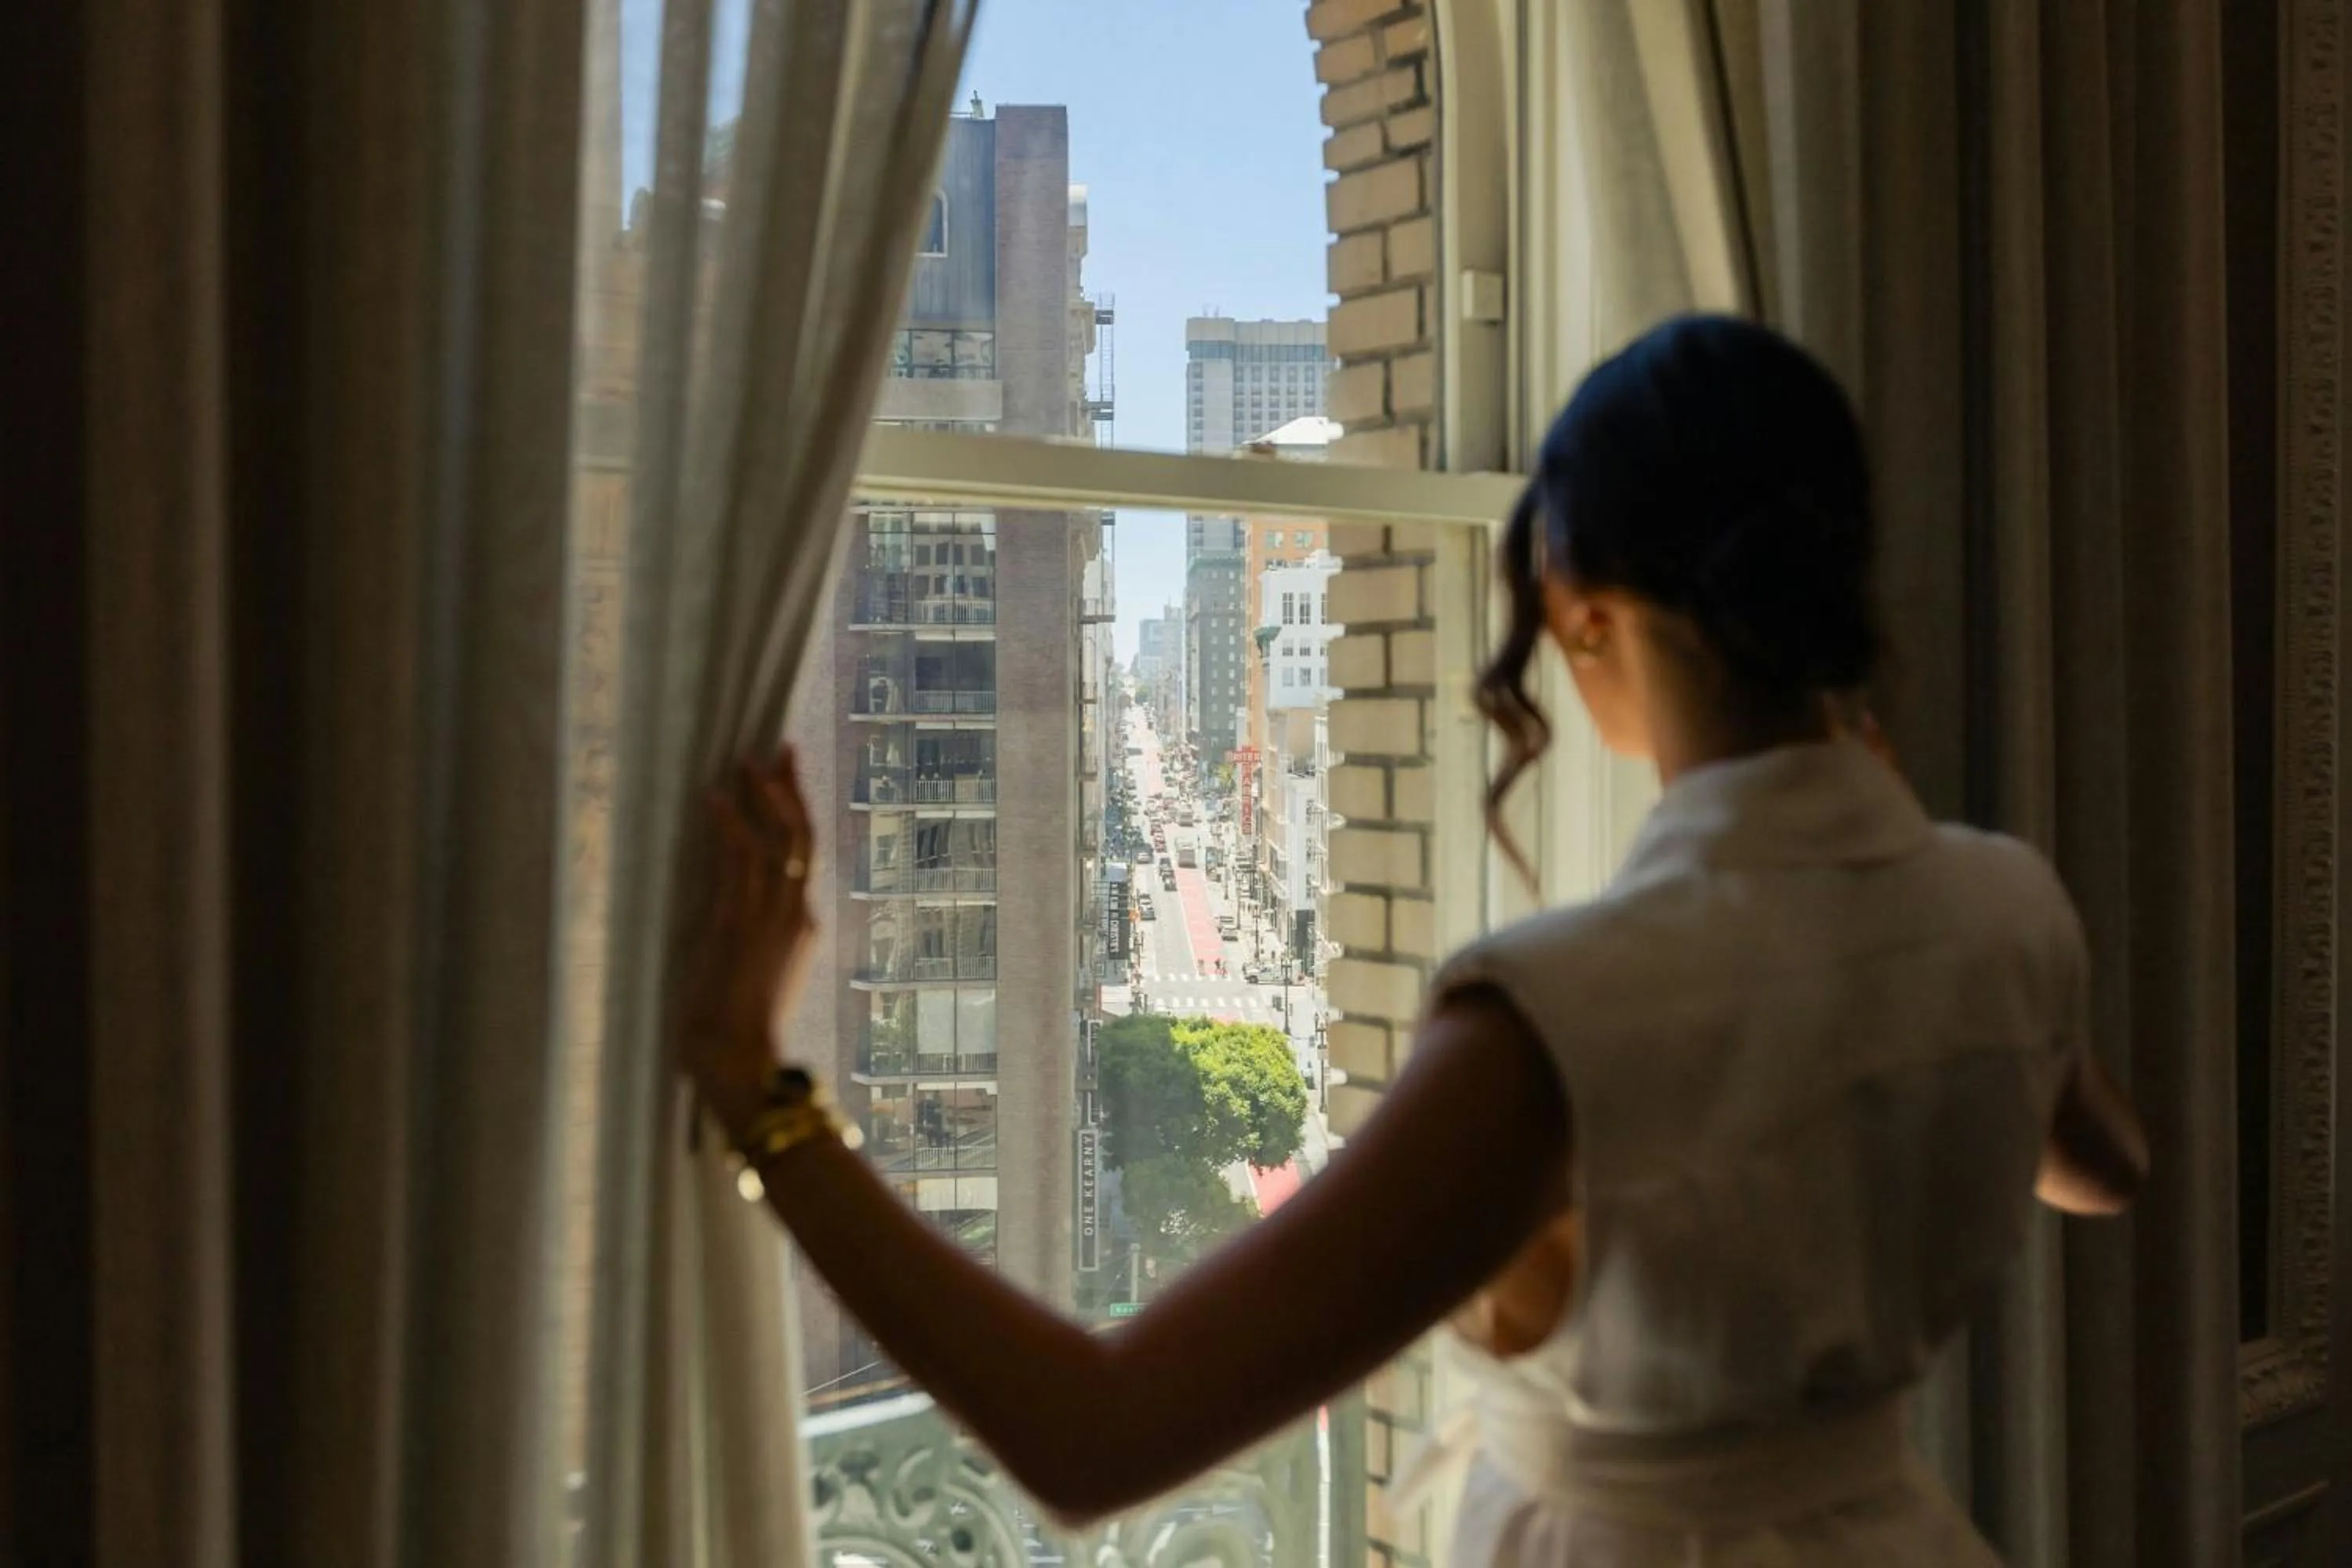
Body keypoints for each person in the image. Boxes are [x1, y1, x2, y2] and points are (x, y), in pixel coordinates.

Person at [685, 314, 2149, 1563]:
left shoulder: (1562, 1023)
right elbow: (2102, 1165)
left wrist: (758, 1083)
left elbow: (1096, 1435)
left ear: (1582, 614)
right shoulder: (2004, 909)